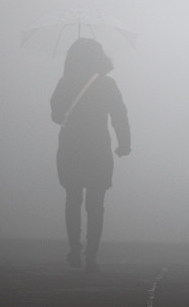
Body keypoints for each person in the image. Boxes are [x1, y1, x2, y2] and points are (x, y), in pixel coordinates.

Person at [50, 38, 131, 273]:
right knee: (96, 204)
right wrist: (124, 144)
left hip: (71, 147)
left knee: (72, 199)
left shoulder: (65, 82)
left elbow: (56, 116)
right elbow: (119, 116)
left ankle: (74, 250)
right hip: (98, 148)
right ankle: (92, 256)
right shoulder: (107, 84)